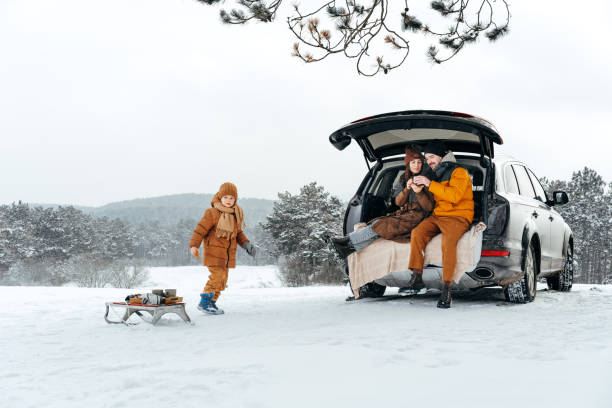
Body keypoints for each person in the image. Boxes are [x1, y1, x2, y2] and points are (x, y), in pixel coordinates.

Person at [403, 140, 474, 309]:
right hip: (439, 215)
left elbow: (454, 196)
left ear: (442, 156)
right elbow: (431, 200)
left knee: (448, 243)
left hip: (459, 216)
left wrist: (429, 183)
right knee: (418, 232)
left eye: (431, 157)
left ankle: (447, 288)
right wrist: (417, 189)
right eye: (426, 158)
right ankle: (417, 275)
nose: (429, 161)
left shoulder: (459, 172)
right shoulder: (435, 174)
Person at [330, 145, 435, 257]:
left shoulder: (427, 178)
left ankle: (344, 242)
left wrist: (419, 192)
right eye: (413, 162)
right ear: (408, 164)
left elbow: (428, 207)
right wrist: (407, 189)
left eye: (419, 162)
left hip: (419, 217)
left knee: (381, 225)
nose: (417, 165)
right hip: (405, 214)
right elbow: (398, 203)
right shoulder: (404, 178)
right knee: (376, 223)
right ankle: (347, 250)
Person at [189, 182, 257, 315]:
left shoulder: (235, 214)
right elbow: (200, 230)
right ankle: (204, 303)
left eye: (231, 198)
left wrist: (246, 244)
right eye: (225, 197)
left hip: (227, 255)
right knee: (217, 276)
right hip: (214, 253)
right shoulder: (212, 213)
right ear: (220, 197)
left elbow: (238, 234)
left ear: (235, 200)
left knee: (223, 279)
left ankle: (212, 302)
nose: (228, 201)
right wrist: (194, 245)